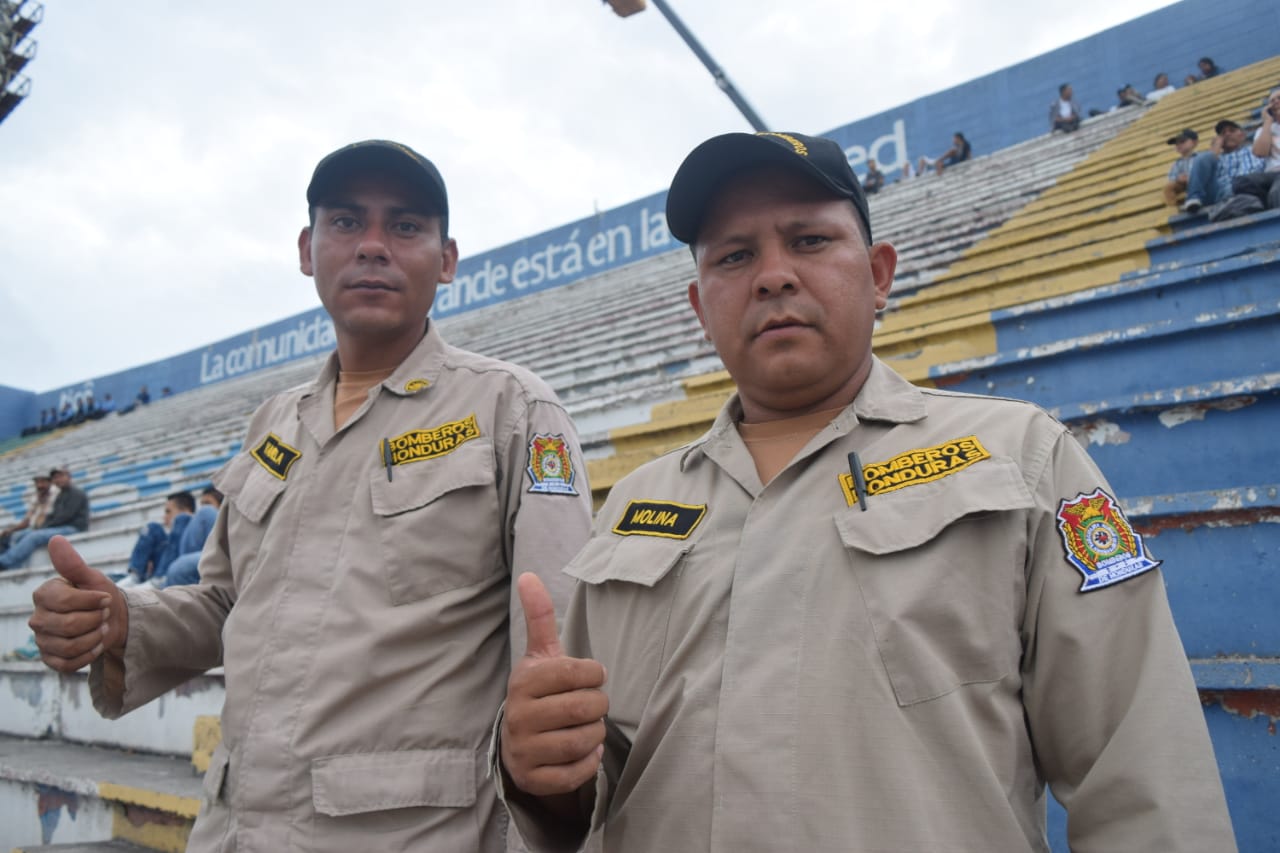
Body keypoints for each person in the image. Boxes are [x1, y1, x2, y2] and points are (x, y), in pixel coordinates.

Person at [494, 130, 1236, 852]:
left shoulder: (1022, 458)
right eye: (735, 255)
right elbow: (596, 784)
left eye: (810, 241)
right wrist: (543, 776)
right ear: (700, 305)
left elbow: (1142, 772)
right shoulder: (631, 507)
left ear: (880, 273)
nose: (773, 274)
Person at [28, 140, 594, 851]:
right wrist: (121, 620)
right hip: (235, 827)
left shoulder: (512, 410)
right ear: (307, 248)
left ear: (448, 260)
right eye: (347, 223)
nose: (373, 247)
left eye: (407, 226)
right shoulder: (274, 422)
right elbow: (228, 601)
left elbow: (557, 647)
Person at [0, 467, 89, 570]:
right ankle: (12, 564)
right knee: (19, 535)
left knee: (34, 536)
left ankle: (4, 562)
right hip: (61, 526)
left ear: (68, 477)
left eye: (61, 476)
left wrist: (44, 527)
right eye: (55, 478)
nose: (58, 480)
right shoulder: (61, 494)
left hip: (73, 527)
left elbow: (65, 517)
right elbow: (52, 516)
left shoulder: (76, 493)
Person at [114, 490, 196, 588]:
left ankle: (159, 579)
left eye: (168, 511)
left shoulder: (196, 532)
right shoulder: (169, 538)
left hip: (177, 571)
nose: (164, 517)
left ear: (186, 511)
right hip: (160, 570)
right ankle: (136, 576)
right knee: (152, 528)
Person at [1183, 119, 1266, 213]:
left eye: (1232, 130)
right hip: (1219, 193)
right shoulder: (1215, 158)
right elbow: (1198, 179)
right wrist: (1215, 148)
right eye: (1223, 133)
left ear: (1242, 135)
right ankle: (1193, 199)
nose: (1227, 134)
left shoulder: (1255, 149)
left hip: (1249, 188)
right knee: (1203, 157)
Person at [159, 486, 223, 588]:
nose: (202, 508)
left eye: (208, 503)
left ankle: (160, 579)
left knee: (179, 566)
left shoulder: (208, 513)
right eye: (201, 504)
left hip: (218, 556)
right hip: (197, 561)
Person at [1233, 87, 1280, 210]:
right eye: (1272, 101)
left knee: (1277, 191)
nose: (1275, 102)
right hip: (1272, 174)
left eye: (1279, 98)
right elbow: (1260, 152)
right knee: (1241, 182)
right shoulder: (1265, 129)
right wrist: (1268, 122)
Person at [0, 472, 58, 551]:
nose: (39, 485)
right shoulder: (36, 498)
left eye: (42, 482)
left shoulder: (57, 495)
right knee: (6, 536)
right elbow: (27, 521)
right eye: (37, 482)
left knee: (20, 537)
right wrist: (10, 530)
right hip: (34, 529)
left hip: (48, 528)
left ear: (50, 482)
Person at [1163, 127, 1199, 206]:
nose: (1179, 145)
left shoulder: (1200, 157)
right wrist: (1178, 178)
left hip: (1198, 182)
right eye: (1176, 143)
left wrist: (1190, 177)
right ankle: (1173, 209)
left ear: (1194, 142)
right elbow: (1171, 176)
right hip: (1182, 184)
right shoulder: (1177, 163)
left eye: (1182, 141)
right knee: (1168, 187)